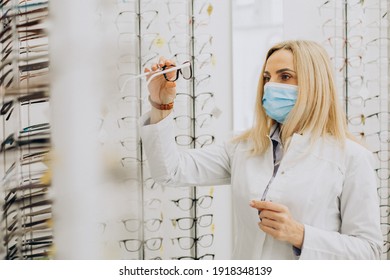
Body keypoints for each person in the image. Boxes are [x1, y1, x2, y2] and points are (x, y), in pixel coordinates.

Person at [139, 40, 383, 259]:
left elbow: (369, 251)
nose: (270, 86)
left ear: (314, 84)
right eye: (267, 77)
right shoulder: (243, 147)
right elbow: (169, 171)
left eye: (285, 77)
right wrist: (161, 103)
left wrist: (300, 235)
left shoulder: (351, 158)